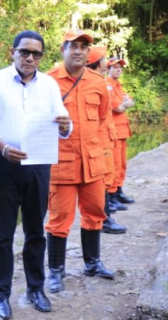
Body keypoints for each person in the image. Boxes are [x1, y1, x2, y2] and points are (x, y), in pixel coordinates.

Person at [0, 30, 71, 319]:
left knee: (35, 232)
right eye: (24, 52)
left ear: (42, 56)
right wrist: (3, 147)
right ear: (13, 51)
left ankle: (35, 289)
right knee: (3, 235)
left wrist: (66, 125)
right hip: (5, 166)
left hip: (39, 165)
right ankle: (1, 295)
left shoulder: (49, 85)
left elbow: (63, 120)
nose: (30, 58)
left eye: (36, 54)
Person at [46, 30, 117, 294]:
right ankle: (55, 271)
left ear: (89, 53)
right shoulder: (47, 82)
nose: (79, 51)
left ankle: (93, 263)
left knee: (95, 213)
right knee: (59, 218)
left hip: (92, 164)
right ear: (62, 50)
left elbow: (101, 119)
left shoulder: (98, 82)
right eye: (73, 46)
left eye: (84, 47)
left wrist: (102, 155)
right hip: (61, 164)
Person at [85, 46, 127, 235]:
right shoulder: (96, 83)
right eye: (103, 59)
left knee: (107, 177)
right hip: (99, 140)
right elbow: (116, 108)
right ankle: (104, 219)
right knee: (101, 181)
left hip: (106, 136)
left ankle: (106, 215)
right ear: (100, 63)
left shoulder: (98, 82)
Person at [106, 57, 136, 206]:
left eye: (120, 67)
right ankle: (111, 196)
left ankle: (119, 191)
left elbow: (130, 101)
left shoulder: (118, 85)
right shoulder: (107, 85)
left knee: (122, 163)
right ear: (108, 69)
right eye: (115, 67)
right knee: (114, 164)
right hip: (113, 132)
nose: (118, 69)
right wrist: (125, 103)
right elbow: (118, 107)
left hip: (123, 130)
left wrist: (126, 103)